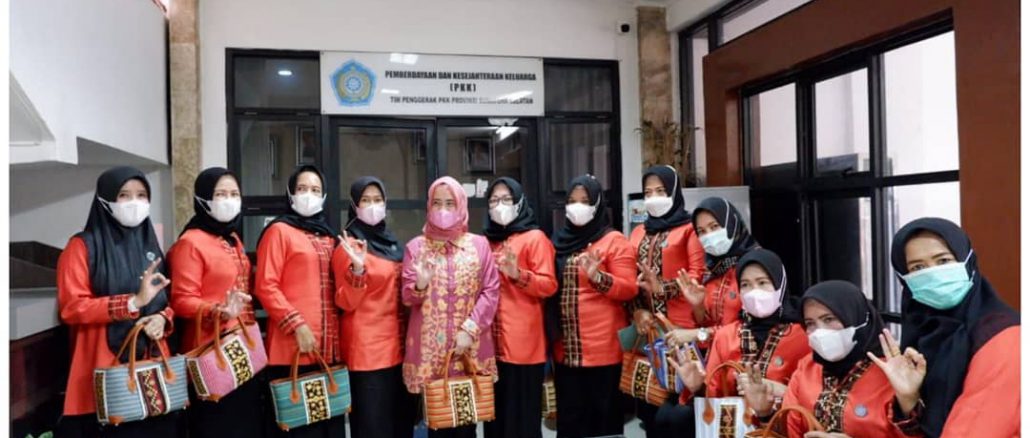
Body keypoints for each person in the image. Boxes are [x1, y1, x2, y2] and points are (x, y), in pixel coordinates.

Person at [55, 166, 180, 438]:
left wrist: (162, 318)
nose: (134, 202)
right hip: (105, 368)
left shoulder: (151, 245)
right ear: (105, 200)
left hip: (153, 371)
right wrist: (132, 303)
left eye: (141, 195)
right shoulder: (82, 247)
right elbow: (72, 308)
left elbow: (167, 300)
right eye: (124, 195)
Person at [890, 218, 1019, 437]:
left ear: (967, 261)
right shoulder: (924, 336)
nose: (933, 273)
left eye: (943, 260)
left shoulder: (1002, 337)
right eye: (918, 267)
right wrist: (909, 401)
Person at [745, 280, 925, 438]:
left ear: (857, 318)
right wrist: (764, 413)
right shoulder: (807, 368)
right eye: (810, 323)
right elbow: (791, 432)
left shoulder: (892, 371)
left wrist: (908, 400)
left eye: (829, 319)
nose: (819, 331)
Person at [661, 248, 809, 436]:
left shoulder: (802, 337)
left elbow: (811, 399)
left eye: (762, 282)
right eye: (746, 285)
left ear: (781, 285)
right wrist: (698, 387)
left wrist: (776, 392)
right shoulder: (727, 336)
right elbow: (713, 398)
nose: (754, 291)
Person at [401, 176, 501, 438]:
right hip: (430, 354)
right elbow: (407, 298)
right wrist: (420, 284)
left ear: (461, 206)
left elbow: (491, 290)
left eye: (450, 203)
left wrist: (470, 329)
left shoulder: (479, 245)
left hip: (469, 348)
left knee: (466, 423)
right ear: (428, 205)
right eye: (437, 203)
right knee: (437, 420)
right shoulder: (416, 247)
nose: (443, 209)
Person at [168, 167, 262, 438]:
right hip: (211, 354)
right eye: (220, 194)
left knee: (246, 424)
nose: (229, 200)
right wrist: (217, 311)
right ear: (203, 198)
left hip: (243, 350)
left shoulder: (232, 239)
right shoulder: (190, 242)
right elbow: (181, 300)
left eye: (234, 194)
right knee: (219, 425)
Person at [253, 165, 344, 437]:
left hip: (327, 350)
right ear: (291, 193)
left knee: (327, 427)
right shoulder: (278, 231)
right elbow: (265, 285)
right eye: (302, 188)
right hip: (292, 348)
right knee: (298, 427)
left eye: (315, 190)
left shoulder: (329, 236)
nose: (308, 195)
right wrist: (297, 325)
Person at [547, 174, 638, 438]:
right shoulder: (559, 241)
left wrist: (599, 278)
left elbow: (629, 289)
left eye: (585, 201)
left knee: (603, 427)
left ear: (597, 204)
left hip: (604, 352)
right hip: (566, 351)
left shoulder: (614, 241)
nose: (577, 206)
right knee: (570, 424)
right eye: (572, 200)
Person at [333, 177, 416, 438]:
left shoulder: (391, 243)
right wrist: (358, 271)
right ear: (354, 206)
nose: (372, 205)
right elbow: (345, 302)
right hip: (368, 354)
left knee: (400, 425)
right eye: (365, 200)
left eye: (377, 200)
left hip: (398, 349)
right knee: (373, 428)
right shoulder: (349, 246)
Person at [626, 165, 706, 436]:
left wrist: (662, 288)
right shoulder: (638, 232)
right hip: (647, 334)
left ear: (673, 192)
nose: (653, 198)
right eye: (648, 193)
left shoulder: (689, 230)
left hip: (681, 333)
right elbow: (632, 280)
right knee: (649, 407)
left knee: (677, 413)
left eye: (660, 191)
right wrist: (637, 311)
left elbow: (697, 277)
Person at [481, 177, 558, 438]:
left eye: (506, 199)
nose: (500, 205)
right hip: (490, 347)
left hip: (523, 348)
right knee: (495, 423)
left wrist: (518, 275)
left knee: (521, 423)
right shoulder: (486, 241)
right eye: (494, 200)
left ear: (519, 202)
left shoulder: (535, 238)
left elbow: (549, 285)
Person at [664, 196, 759, 350]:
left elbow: (754, 329)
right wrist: (698, 306)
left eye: (714, 227)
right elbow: (707, 323)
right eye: (701, 231)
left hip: (746, 360)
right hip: (716, 359)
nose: (708, 235)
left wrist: (698, 334)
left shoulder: (755, 266)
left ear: (731, 224)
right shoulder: (712, 269)